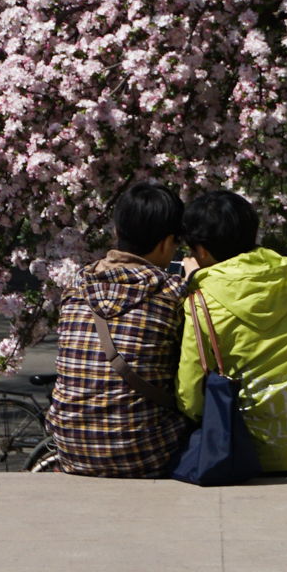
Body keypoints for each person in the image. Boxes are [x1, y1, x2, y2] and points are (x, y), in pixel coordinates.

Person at [176, 190, 287, 474]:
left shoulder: (200, 301)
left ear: (202, 251)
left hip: (249, 454)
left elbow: (190, 397)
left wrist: (193, 281)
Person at [46, 180, 191, 478]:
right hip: (144, 451)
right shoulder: (173, 293)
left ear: (115, 232)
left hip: (70, 447)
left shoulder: (76, 287)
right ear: (167, 243)